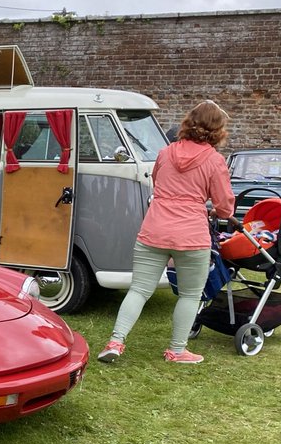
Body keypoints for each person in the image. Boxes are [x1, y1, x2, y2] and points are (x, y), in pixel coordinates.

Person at [99, 99, 235, 365]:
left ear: (189, 122)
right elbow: (224, 206)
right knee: (189, 294)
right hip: (191, 235)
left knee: (138, 290)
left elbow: (159, 183)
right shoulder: (214, 160)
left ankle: (116, 341)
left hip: (154, 229)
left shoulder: (165, 152)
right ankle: (177, 350)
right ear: (218, 130)